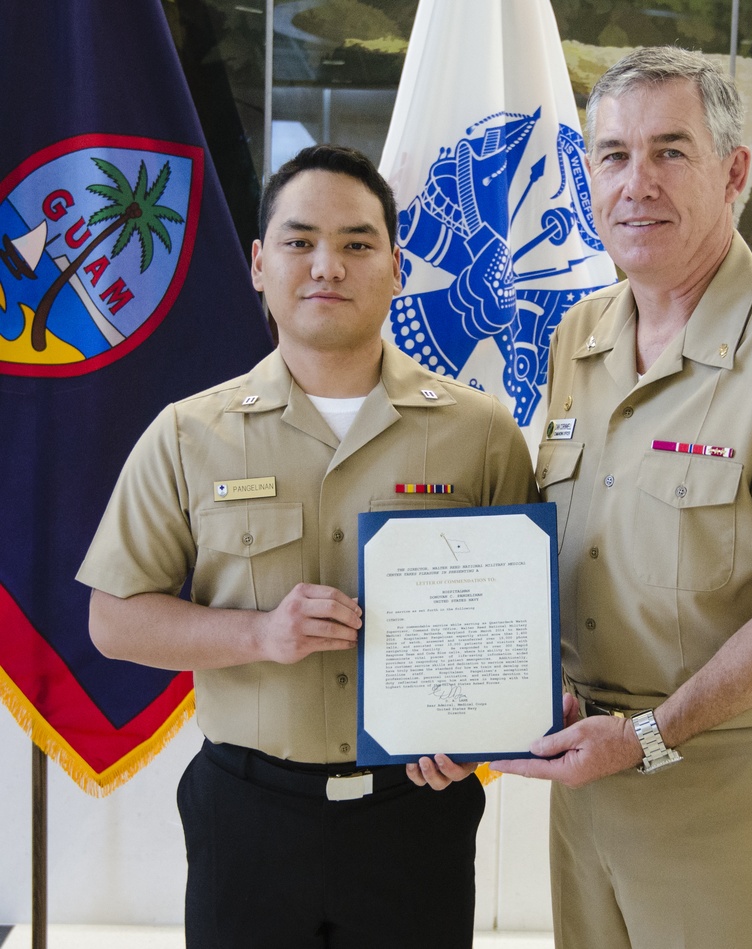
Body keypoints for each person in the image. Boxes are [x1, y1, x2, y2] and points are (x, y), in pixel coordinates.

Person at [492, 46, 752, 949]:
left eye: (669, 151)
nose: (635, 182)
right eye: (612, 155)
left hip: (738, 793)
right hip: (592, 786)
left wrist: (650, 733)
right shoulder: (582, 336)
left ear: (733, 173)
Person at [77, 144, 538, 949]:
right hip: (248, 812)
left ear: (397, 266)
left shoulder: (482, 434)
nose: (327, 265)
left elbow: (527, 628)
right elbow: (114, 620)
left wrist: (478, 733)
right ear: (259, 264)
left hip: (417, 813)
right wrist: (258, 633)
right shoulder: (188, 435)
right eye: (299, 242)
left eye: (358, 243)